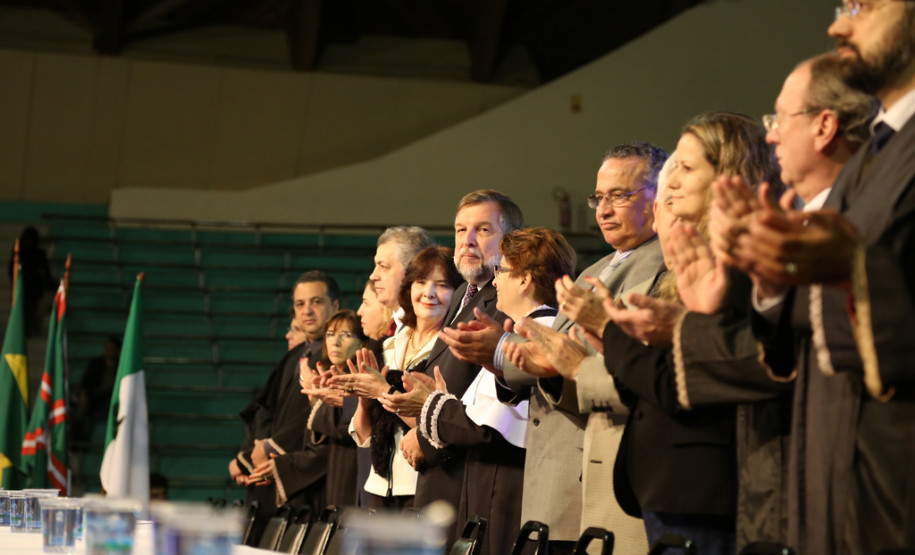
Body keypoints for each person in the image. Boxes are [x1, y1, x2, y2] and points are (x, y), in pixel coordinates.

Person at [717, 4, 915, 550]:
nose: (838, 26)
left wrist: (852, 267)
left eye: (863, 5)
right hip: (838, 466)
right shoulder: (876, 156)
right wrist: (772, 278)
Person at [690, 53, 875, 552]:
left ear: (825, 126)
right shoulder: (803, 219)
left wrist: (682, 326)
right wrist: (760, 286)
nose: (770, 135)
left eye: (779, 119)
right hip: (785, 487)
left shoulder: (857, 220)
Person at [442, 144, 666, 553]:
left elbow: (581, 354)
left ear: (660, 196)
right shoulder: (598, 269)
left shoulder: (662, 265)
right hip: (561, 473)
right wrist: (501, 355)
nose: (603, 209)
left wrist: (503, 348)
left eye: (620, 195)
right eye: (598, 198)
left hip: (606, 473)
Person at [384, 227, 575, 555]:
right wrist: (436, 399)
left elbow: (485, 427)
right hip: (491, 482)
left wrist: (429, 403)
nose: (496, 281)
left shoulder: (540, 335)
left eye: (501, 271)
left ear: (525, 280)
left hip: (509, 484)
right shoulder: (517, 332)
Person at [401, 190, 523, 543]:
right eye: (460, 230)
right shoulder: (460, 294)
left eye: (482, 230)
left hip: (466, 469)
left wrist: (426, 433)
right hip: (444, 466)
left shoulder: (504, 298)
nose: (467, 241)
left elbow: (483, 397)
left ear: (509, 239)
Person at [335, 246, 462, 510]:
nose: (429, 293)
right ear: (408, 289)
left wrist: (383, 391)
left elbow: (444, 424)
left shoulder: (454, 350)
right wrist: (365, 398)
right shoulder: (387, 345)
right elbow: (364, 436)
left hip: (425, 487)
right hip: (378, 486)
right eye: (421, 282)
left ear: (459, 293)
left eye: (442, 285)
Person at [229, 271, 339, 541]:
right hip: (272, 473)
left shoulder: (336, 355)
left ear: (334, 306)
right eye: (300, 304)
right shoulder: (294, 356)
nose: (307, 311)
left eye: (316, 302)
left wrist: (271, 448)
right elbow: (264, 408)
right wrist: (256, 448)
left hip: (308, 477)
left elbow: (314, 415)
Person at [278, 310, 365, 508]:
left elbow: (347, 421)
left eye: (346, 335)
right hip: (333, 478)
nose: (335, 342)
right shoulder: (329, 376)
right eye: (330, 334)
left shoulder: (362, 378)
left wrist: (318, 399)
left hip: (353, 473)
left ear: (363, 342)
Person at [369, 226, 437, 331]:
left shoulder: (428, 330)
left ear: (412, 272)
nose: (373, 276)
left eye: (383, 266)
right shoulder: (394, 327)